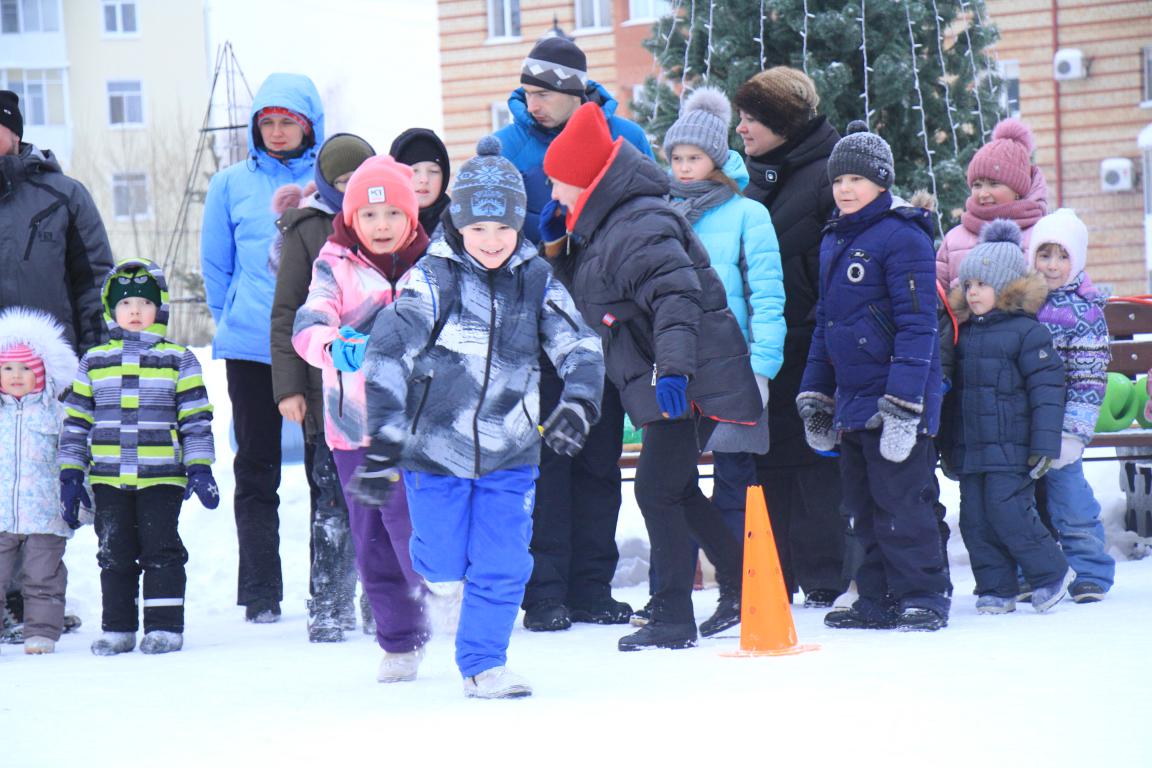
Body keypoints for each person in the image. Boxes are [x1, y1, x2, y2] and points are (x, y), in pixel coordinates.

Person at [353, 136, 605, 697]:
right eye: (478, 229)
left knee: (506, 561)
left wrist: (579, 402)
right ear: (459, 226)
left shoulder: (536, 280)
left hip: (511, 449)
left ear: (518, 226)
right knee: (441, 561)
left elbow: (580, 345)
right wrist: (386, 440)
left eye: (503, 229)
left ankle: (484, 665)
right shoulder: (433, 279)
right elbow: (388, 352)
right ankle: (441, 576)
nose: (491, 242)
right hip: (435, 452)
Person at [543, 103, 762, 650]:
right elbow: (595, 296)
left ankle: (671, 616)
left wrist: (675, 371)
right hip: (661, 370)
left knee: (656, 490)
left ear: (585, 180)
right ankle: (745, 584)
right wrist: (557, 250)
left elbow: (676, 297)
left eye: (559, 183)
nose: (554, 193)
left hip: (680, 376)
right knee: (677, 488)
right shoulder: (609, 223)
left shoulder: (639, 222)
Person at [495, 35, 654, 630]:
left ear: (573, 92)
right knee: (547, 466)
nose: (529, 103)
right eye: (527, 92)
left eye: (541, 94)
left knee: (598, 461)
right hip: (535, 337)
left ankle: (593, 588)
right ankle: (545, 594)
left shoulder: (627, 141)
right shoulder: (507, 148)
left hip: (608, 329)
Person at [798, 122, 950, 632]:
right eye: (838, 179)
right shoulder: (834, 238)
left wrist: (905, 404)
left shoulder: (902, 234)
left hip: (895, 398)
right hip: (854, 401)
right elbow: (827, 321)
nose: (845, 188)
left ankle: (924, 595)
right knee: (863, 505)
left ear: (881, 182)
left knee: (904, 502)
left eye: (857, 179)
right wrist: (817, 393)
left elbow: (917, 324)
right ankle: (878, 595)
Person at [292, 155, 431, 681]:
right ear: (351, 219)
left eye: (393, 214)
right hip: (355, 428)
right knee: (372, 537)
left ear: (411, 217)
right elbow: (308, 324)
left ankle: (452, 613)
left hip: (420, 427)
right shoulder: (333, 264)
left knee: (415, 531)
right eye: (369, 216)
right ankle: (398, 641)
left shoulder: (433, 265)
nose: (381, 226)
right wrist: (333, 346)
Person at [201, 73, 324, 623]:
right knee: (256, 467)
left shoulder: (330, 179)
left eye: (288, 122)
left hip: (319, 343)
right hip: (252, 344)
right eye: (267, 122)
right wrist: (234, 318)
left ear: (309, 125)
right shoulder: (230, 183)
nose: (276, 132)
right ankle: (260, 591)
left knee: (329, 468)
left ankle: (331, 582)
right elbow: (215, 264)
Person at [58, 259, 219, 655]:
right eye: (125, 303)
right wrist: (71, 474)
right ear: (111, 310)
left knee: (160, 549)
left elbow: (195, 418)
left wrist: (198, 465)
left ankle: (164, 626)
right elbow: (77, 422)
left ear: (160, 309)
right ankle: (119, 628)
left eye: (144, 304)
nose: (134, 311)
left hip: (161, 475)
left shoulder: (179, 359)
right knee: (114, 552)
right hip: (109, 477)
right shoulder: (94, 361)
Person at [733, 67, 846, 607]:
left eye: (752, 118)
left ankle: (826, 575)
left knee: (815, 463)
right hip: (765, 345)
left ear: (782, 122)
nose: (741, 129)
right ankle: (783, 575)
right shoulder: (756, 175)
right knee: (770, 461)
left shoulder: (829, 173)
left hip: (814, 342)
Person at [663, 86, 784, 535]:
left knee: (736, 481)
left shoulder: (747, 214)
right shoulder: (663, 213)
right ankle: (671, 595)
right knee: (671, 483)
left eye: (693, 158)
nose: (684, 168)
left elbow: (767, 296)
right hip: (679, 368)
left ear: (715, 159)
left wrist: (762, 368)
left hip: (735, 369)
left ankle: (741, 590)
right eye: (677, 158)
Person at [270, 133, 375, 642]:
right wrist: (290, 388)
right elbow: (288, 311)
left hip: (384, 398)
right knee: (332, 504)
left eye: (360, 180)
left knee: (382, 500)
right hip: (324, 394)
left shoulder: (389, 222)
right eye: (341, 182)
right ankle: (330, 602)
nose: (351, 189)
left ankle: (381, 599)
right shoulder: (307, 229)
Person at [942, 219, 1072, 614]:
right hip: (972, 447)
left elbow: (1048, 392)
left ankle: (1050, 573)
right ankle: (995, 586)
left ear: (1005, 287)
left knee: (1010, 512)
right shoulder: (962, 333)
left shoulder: (1026, 333)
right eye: (968, 285)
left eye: (981, 284)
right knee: (976, 522)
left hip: (1012, 446)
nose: (973, 292)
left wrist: (1044, 445)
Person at [1027, 208, 1115, 602]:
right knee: (1020, 504)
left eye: (1062, 257)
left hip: (1061, 426)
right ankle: (1029, 571)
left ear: (1076, 260)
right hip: (1021, 423)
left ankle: (1092, 569)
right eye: (1044, 255)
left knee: (1070, 500)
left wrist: (1074, 433)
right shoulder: (1020, 305)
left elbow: (1088, 378)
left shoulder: (1084, 313)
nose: (1052, 265)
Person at [0, 90, 114, 356]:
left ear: (15, 133)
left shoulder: (65, 196)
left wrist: (96, 361)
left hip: (52, 369)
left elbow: (95, 284)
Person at [0, 308, 79, 654]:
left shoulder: (58, 415)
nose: (16, 376)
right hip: (2, 514)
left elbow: (75, 457)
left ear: (44, 374)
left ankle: (41, 632)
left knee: (43, 575)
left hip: (46, 514)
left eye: (25, 369)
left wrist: (81, 496)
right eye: (7, 368)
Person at [936, 118, 1048, 291]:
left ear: (1017, 189)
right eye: (977, 185)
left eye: (994, 184)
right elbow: (937, 298)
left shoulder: (1042, 234)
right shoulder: (953, 239)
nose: (983, 193)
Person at [389, 128, 452, 239]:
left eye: (433, 171)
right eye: (414, 171)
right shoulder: (382, 226)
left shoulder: (460, 227)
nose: (424, 179)